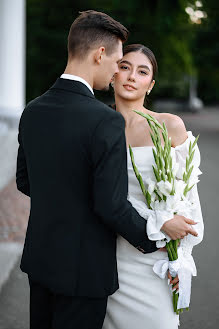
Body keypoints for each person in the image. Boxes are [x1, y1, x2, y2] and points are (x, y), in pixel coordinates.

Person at [16, 11, 198, 329]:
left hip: (42, 261)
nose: (120, 72)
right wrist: (156, 240)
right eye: (119, 63)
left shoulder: (32, 111)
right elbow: (109, 204)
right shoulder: (104, 119)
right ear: (101, 55)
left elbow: (25, 181)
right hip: (87, 268)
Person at [103, 44, 204, 329]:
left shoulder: (169, 126)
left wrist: (180, 261)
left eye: (142, 71)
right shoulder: (97, 128)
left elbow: (189, 198)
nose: (132, 76)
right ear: (113, 75)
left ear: (151, 85)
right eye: (124, 67)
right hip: (111, 256)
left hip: (157, 259)